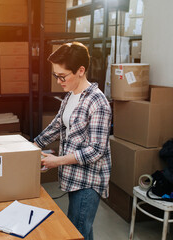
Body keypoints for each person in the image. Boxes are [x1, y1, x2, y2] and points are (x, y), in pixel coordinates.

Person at [34, 42, 112, 240]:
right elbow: (58, 125)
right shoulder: (71, 96)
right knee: (82, 229)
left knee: (76, 232)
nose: (59, 81)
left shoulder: (98, 102)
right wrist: (33, 146)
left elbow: (96, 150)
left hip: (88, 181)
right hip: (72, 176)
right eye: (56, 76)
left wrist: (56, 161)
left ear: (81, 70)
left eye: (63, 76)